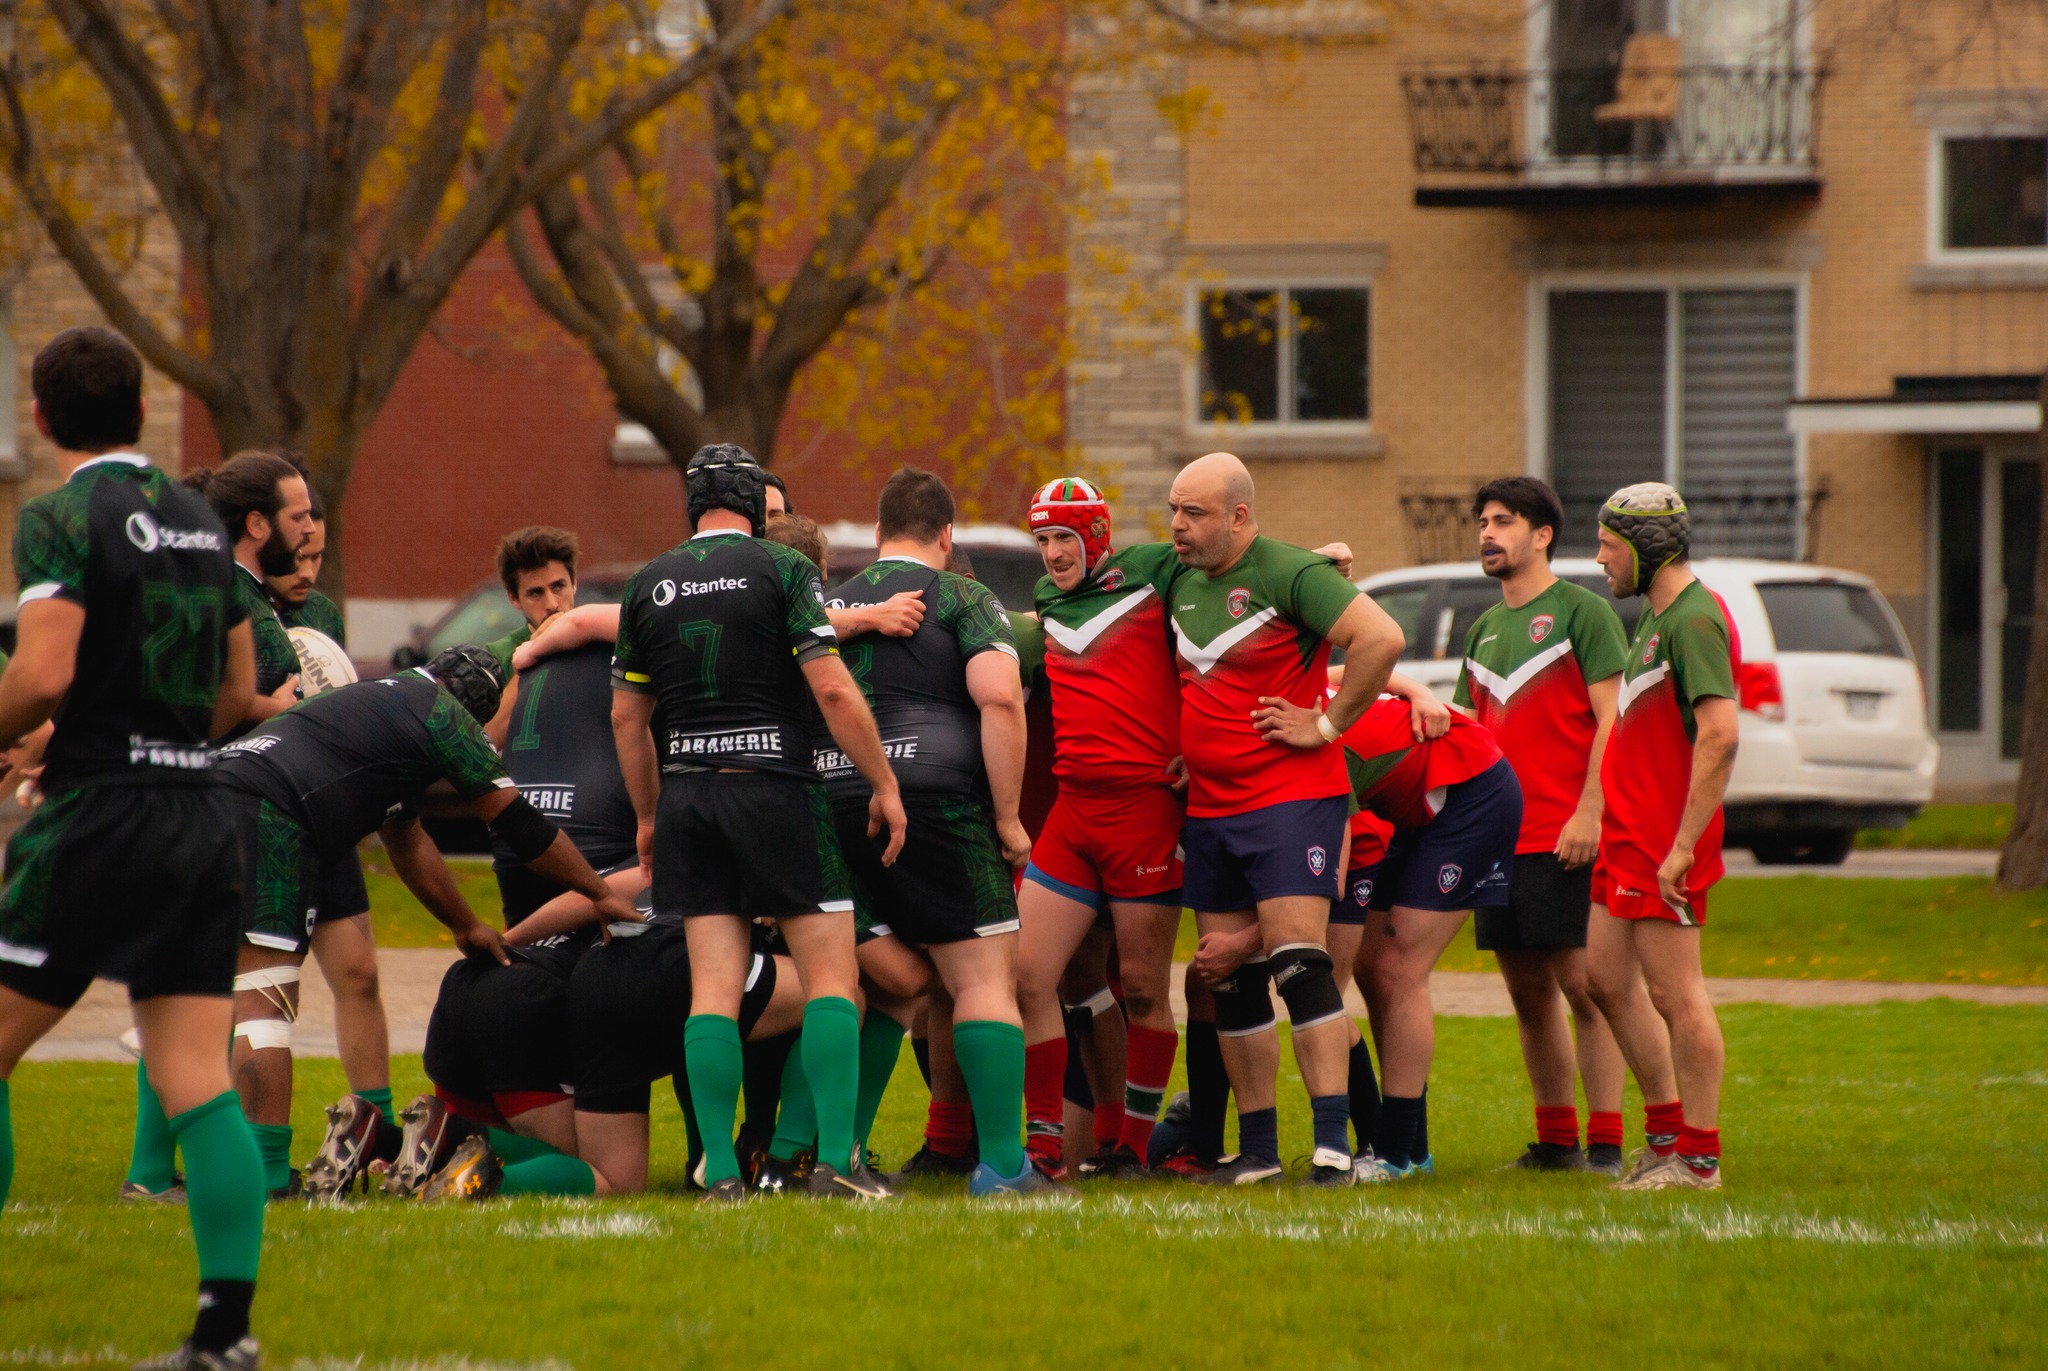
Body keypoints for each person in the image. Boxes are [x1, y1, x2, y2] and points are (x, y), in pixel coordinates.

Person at [0, 327, 268, 1369]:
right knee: (196, 1076)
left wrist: (43, 732)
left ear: (41, 416)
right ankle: (224, 1334)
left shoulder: (63, 514)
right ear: (138, 405)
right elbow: (238, 693)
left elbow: (44, 669)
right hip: (201, 816)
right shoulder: (199, 518)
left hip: (104, 817)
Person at [211, 645, 637, 1197]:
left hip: (209, 795)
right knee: (263, 1004)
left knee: (202, 998)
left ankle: (182, 1167)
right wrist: (600, 891)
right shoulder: (442, 713)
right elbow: (519, 824)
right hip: (268, 810)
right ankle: (265, 1174)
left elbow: (408, 842)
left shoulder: (378, 703)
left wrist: (464, 924)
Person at [610, 443, 907, 1201]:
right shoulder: (785, 570)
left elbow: (625, 717)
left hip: (688, 796)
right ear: (752, 507)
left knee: (712, 986)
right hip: (777, 790)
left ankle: (719, 1173)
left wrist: (648, 815)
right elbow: (835, 693)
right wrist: (882, 781)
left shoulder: (647, 582)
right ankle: (837, 1163)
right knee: (833, 978)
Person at [1166, 452, 1404, 1187]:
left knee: (1300, 964)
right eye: (1173, 509)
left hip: (1289, 801)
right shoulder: (1177, 574)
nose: (1178, 525)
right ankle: (1260, 1151)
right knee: (1230, 983)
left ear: (1239, 516)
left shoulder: (1288, 572)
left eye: (1194, 512)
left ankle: (1333, 1146)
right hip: (1210, 808)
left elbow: (1382, 639)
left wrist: (1326, 724)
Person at [812, 467, 1037, 1197]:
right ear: (947, 536)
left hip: (833, 797)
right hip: (937, 800)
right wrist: (1006, 816)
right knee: (981, 980)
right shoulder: (966, 597)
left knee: (880, 989)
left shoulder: (828, 603)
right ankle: (1005, 1166)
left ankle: (837, 1157)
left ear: (878, 537)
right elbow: (1000, 698)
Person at [1453, 476, 1632, 1174]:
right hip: (1501, 842)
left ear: (1543, 535)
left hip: (1568, 835)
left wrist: (1592, 809)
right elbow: (1467, 732)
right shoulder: (1483, 628)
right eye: (1483, 521)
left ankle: (1608, 1141)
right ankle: (1556, 1141)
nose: (1488, 534)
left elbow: (1613, 721)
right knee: (1528, 994)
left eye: (1503, 521)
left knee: (1587, 989)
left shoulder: (1582, 612)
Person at [1014, 476, 1187, 1180]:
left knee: (1144, 985)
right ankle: (1047, 1147)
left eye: (1065, 537)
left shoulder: (1151, 572)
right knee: (1027, 974)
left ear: (1096, 535)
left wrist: (1320, 561)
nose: (1054, 552)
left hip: (1144, 809)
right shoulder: (1046, 599)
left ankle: (1133, 1148)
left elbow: (1241, 568)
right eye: (1044, 539)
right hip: (1073, 809)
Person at [1587, 483, 1737, 1191]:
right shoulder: (1655, 615)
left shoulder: (1696, 619)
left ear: (1648, 550)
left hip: (1664, 840)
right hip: (1627, 834)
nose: (1599, 560)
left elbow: (1721, 735)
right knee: (1605, 979)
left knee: (1676, 993)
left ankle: (1698, 1159)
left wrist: (1682, 845)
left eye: (1610, 546)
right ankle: (1666, 1134)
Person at [1329, 682, 1521, 1181]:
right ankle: (1413, 1150)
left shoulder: (1306, 726)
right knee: (1372, 970)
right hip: (1413, 806)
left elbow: (1335, 856)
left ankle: (1392, 1155)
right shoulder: (1283, 694)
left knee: (1399, 969)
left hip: (1471, 792)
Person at [263, 485, 398, 1190]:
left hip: (326, 818)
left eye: (318, 553)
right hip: (261, 820)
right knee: (261, 996)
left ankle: (374, 1134)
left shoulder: (318, 615)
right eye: (297, 554)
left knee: (360, 972)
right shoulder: (238, 607)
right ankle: (246, 1158)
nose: (309, 568)